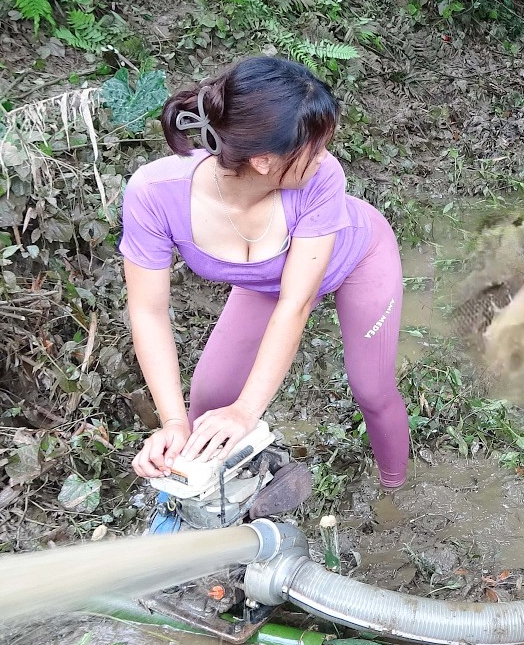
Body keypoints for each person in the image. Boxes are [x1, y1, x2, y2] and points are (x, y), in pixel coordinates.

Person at [120, 56, 410, 491]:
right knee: (208, 401)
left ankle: (395, 488)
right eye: (316, 148)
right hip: (266, 285)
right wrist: (174, 422)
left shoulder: (323, 178)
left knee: (372, 389)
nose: (325, 157)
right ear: (262, 161)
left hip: (358, 259)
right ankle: (202, 493)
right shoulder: (154, 195)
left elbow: (296, 303)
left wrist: (246, 411)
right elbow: (148, 312)